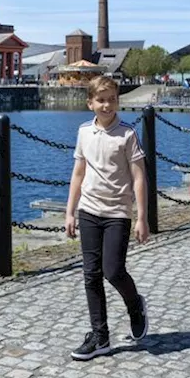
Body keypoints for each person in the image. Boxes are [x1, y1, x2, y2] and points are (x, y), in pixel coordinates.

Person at [64, 75, 150, 361]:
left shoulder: (127, 134)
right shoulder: (84, 132)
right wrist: (70, 212)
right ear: (90, 103)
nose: (106, 105)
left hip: (117, 213)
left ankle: (134, 304)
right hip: (89, 210)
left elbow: (139, 177)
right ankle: (100, 336)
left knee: (113, 270)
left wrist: (142, 217)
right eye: (100, 100)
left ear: (118, 101)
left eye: (112, 100)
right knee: (91, 275)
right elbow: (78, 173)